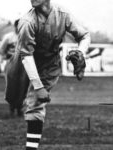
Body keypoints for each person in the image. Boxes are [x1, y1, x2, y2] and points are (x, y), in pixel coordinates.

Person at [6, 0, 91, 149]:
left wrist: (80, 52)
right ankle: (16, 102)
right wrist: (38, 87)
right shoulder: (27, 21)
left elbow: (84, 36)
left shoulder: (62, 14)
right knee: (14, 98)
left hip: (48, 64)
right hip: (22, 62)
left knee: (35, 104)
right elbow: (26, 56)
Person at [0, 19, 24, 117]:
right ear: (15, 26)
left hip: (24, 64)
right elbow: (0, 51)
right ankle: (12, 108)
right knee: (11, 87)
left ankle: (20, 108)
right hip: (11, 63)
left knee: (22, 87)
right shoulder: (8, 37)